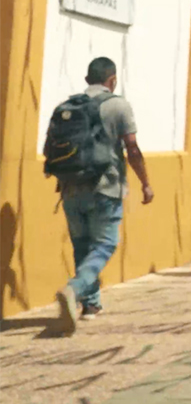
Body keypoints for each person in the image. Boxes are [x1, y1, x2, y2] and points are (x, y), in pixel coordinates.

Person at [46, 57, 154, 336]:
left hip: (70, 188)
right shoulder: (118, 105)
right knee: (105, 244)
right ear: (112, 80)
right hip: (105, 187)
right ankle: (75, 289)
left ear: (87, 80)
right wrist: (145, 183)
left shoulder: (66, 107)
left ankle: (90, 306)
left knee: (82, 246)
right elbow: (132, 148)